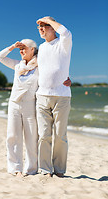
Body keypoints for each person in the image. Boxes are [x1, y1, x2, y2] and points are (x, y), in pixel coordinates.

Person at [0, 38, 71, 177]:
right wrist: (12, 46)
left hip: (30, 105)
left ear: (33, 50)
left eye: (24, 48)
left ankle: (31, 170)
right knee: (13, 136)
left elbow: (55, 70)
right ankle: (16, 168)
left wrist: (67, 78)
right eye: (20, 49)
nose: (21, 51)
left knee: (31, 138)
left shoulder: (40, 66)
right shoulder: (18, 65)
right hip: (14, 104)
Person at [36, 16, 72, 177]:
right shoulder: (41, 48)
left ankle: (59, 170)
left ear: (52, 27)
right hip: (42, 96)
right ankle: (45, 169)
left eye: (45, 26)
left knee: (60, 136)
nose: (41, 29)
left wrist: (50, 20)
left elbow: (66, 33)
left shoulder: (63, 44)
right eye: (39, 27)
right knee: (44, 135)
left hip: (62, 96)